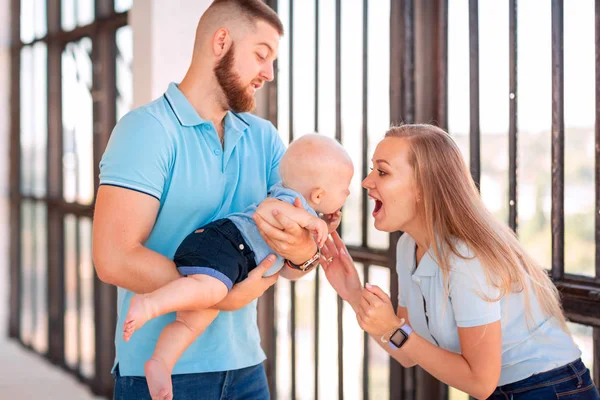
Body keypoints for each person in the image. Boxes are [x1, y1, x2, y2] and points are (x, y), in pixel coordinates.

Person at [92, 1, 325, 398]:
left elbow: (291, 258)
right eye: (261, 55)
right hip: (162, 376)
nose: (268, 73)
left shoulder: (264, 138)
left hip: (246, 367)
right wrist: (224, 294)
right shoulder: (147, 131)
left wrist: (304, 253)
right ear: (221, 42)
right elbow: (114, 258)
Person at [319, 124, 600, 399]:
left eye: (382, 171)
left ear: (423, 187)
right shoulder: (408, 247)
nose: (367, 181)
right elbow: (406, 352)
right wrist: (354, 294)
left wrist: (392, 328)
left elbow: (479, 382)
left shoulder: (467, 258)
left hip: (551, 389)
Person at [121, 134, 353, 399]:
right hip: (224, 245)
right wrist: (313, 223)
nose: (348, 193)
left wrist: (319, 229)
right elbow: (266, 210)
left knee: (191, 321)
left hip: (228, 264)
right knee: (211, 292)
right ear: (319, 194)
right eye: (345, 187)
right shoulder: (288, 200)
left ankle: (161, 361)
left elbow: (292, 263)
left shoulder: (306, 214)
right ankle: (149, 304)